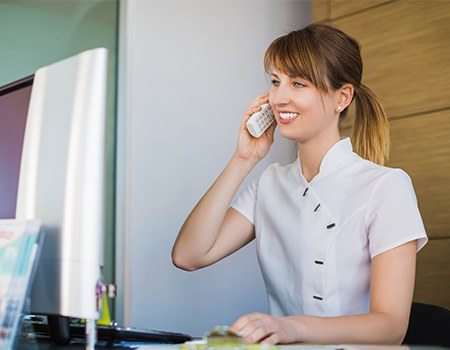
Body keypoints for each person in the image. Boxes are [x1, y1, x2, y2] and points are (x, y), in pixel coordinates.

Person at [171, 23, 428, 345]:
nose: (279, 97)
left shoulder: (386, 186)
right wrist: (243, 159)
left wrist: (291, 328)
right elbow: (188, 256)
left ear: (342, 97)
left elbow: (390, 328)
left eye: (298, 83)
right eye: (276, 82)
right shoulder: (269, 183)